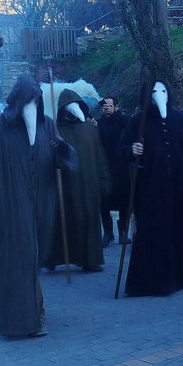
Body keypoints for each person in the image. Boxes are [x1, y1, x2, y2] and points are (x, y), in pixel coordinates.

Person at [0, 77, 77, 339]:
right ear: (18, 100)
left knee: (33, 259)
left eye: (37, 99)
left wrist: (62, 149)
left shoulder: (47, 125)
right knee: (21, 259)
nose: (33, 104)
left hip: (43, 205)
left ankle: (15, 306)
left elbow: (66, 160)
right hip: (11, 206)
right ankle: (29, 316)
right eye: (28, 99)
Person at [121, 79, 183, 297]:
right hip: (151, 191)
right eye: (154, 91)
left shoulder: (181, 121)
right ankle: (154, 281)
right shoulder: (138, 121)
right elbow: (124, 148)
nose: (159, 94)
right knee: (154, 231)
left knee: (181, 230)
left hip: (180, 189)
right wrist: (132, 149)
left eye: (164, 90)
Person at [45, 89, 111, 273]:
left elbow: (100, 155)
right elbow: (46, 159)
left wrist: (104, 180)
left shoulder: (90, 128)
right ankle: (56, 258)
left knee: (89, 219)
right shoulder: (55, 131)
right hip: (65, 186)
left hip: (89, 184)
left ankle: (90, 260)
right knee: (63, 220)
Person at [97, 96, 130, 246]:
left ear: (115, 106)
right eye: (104, 106)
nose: (106, 108)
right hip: (104, 166)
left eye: (109, 106)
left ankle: (123, 233)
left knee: (124, 200)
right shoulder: (99, 123)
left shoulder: (124, 121)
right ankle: (108, 233)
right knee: (104, 201)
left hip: (121, 166)